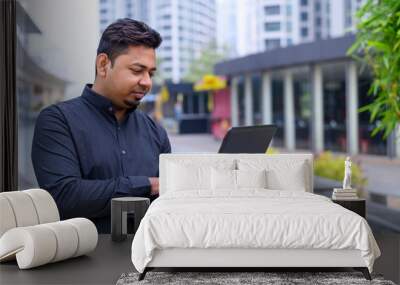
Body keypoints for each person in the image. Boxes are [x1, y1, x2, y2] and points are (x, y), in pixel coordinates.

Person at [31, 18, 171, 233]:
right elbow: (63, 197)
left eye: (150, 73)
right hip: (82, 260)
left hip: (150, 259)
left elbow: (168, 201)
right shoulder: (57, 121)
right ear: (103, 65)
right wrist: (147, 185)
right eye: (137, 70)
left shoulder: (155, 131)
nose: (147, 82)